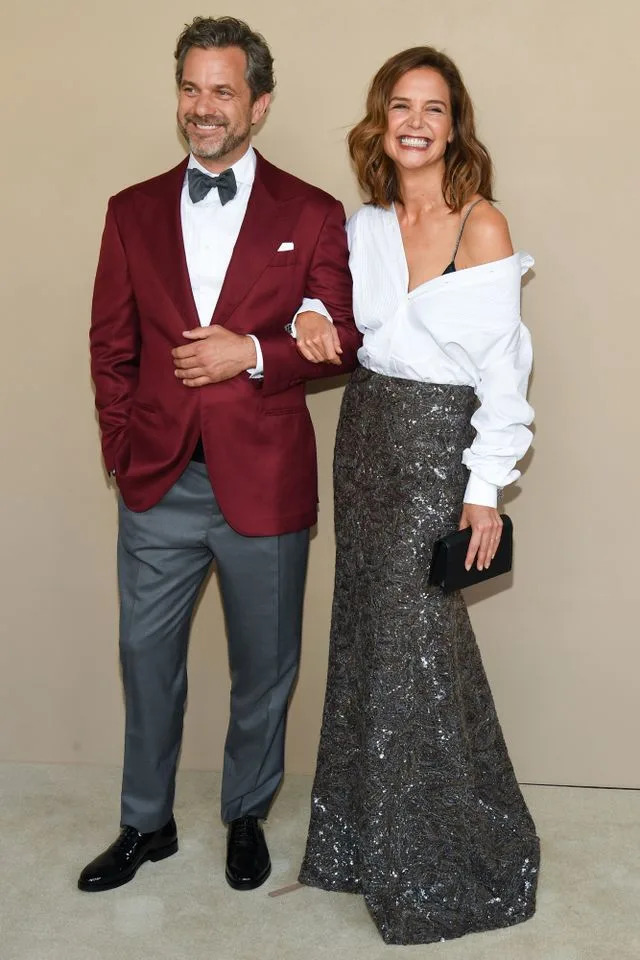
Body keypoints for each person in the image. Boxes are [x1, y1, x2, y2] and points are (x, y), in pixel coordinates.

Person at [80, 16, 360, 894]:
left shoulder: (312, 212)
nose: (203, 107)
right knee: (144, 660)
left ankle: (246, 815)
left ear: (259, 104)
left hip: (265, 484)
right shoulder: (129, 211)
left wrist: (256, 353)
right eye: (190, 88)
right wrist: (124, 453)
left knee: (265, 669)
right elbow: (110, 346)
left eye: (223, 91)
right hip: (158, 482)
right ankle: (145, 823)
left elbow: (344, 337)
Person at [295, 47, 540, 944]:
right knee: (366, 633)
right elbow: (328, 310)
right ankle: (361, 844)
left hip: (438, 453)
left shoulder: (482, 223)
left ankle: (442, 859)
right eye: (401, 106)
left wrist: (484, 490)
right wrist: (306, 316)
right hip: (364, 439)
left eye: (433, 109)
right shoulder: (362, 226)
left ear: (454, 126)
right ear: (381, 120)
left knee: (417, 647)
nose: (416, 123)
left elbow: (504, 374)